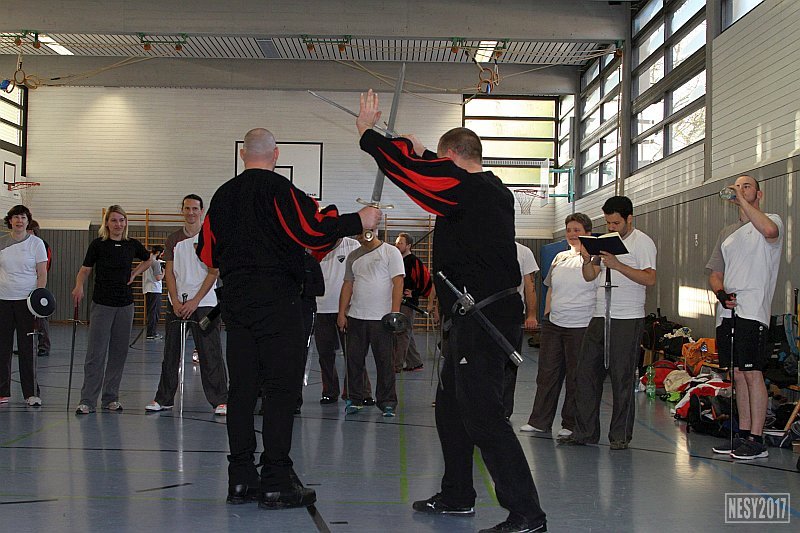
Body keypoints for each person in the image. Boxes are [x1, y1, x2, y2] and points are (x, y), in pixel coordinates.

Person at [357, 89, 546, 533]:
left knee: (483, 415)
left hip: (484, 319)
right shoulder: (485, 188)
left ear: (452, 159)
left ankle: (527, 514)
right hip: (471, 317)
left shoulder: (471, 190)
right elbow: (433, 170)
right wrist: (422, 151)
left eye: (441, 163)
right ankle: (458, 494)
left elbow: (413, 175)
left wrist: (369, 135)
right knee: (450, 409)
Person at [196, 128, 381, 509]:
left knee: (242, 390)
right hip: (277, 302)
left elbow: (207, 254)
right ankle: (276, 478)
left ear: (243, 154)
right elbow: (313, 232)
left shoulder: (222, 196)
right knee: (281, 389)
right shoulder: (282, 191)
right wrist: (357, 220)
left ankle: (240, 478)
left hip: (237, 304)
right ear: (276, 154)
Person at [559, 196, 656, 450]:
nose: (611, 227)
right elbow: (590, 276)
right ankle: (585, 431)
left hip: (627, 317)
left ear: (629, 219)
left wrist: (618, 265)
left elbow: (649, 278)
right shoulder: (604, 241)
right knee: (586, 373)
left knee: (622, 376)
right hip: (600, 314)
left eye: (616, 223)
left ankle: (620, 435)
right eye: (608, 222)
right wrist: (588, 260)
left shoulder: (642, 242)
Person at [707, 175, 782, 460]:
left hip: (752, 309)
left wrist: (740, 200)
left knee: (753, 373)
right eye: (737, 186)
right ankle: (742, 434)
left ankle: (757, 438)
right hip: (729, 311)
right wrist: (720, 292)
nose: (740, 189)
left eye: (746, 186)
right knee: (737, 374)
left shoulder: (770, 221)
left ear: (758, 195)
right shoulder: (727, 233)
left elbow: (770, 230)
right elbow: (716, 272)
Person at [146, 194, 228, 416]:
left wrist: (195, 301)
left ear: (201, 211)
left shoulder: (210, 237)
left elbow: (214, 272)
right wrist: (174, 300)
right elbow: (169, 272)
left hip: (206, 305)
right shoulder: (173, 239)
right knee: (171, 353)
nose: (191, 212)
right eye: (187, 208)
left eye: (195, 208)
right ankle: (163, 399)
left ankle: (220, 400)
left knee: (210, 352)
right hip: (178, 306)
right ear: (182, 210)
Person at [73, 205, 152, 414]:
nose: (118, 224)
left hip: (125, 305)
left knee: (118, 353)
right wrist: (79, 286)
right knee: (96, 353)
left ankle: (110, 398)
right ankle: (87, 400)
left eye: (121, 220)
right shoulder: (98, 245)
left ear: (126, 222)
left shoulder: (132, 244)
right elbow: (85, 270)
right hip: (102, 304)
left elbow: (149, 259)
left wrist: (135, 273)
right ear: (107, 223)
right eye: (114, 220)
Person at [521, 213, 594, 437]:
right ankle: (539, 421)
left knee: (575, 376)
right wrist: (547, 315)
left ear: (588, 233)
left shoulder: (595, 259)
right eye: (569, 230)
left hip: (581, 325)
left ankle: (570, 423)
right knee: (547, 374)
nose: (572, 234)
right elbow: (550, 288)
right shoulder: (559, 257)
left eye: (577, 230)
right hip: (554, 324)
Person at [337, 233, 404, 417]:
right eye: (358, 232)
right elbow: (348, 284)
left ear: (374, 230)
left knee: (385, 362)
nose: (362, 236)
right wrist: (342, 313)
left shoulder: (390, 252)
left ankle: (387, 402)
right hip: (356, 317)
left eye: (365, 231)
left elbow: (398, 282)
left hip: (381, 319)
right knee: (354, 361)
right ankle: (355, 400)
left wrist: (394, 313)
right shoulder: (353, 256)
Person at [312, 236, 371, 404]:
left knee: (353, 353)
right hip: (321, 309)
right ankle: (329, 391)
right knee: (325, 354)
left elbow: (361, 274)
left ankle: (360, 392)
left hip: (347, 309)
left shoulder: (352, 245)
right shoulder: (315, 246)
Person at [0, 205, 48, 406]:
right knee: (3, 347)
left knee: (27, 348)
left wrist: (37, 300)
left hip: (26, 302)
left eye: (23, 217)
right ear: (10, 220)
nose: (19, 221)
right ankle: (2, 391)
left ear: (28, 221)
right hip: (3, 301)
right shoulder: (2, 242)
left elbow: (42, 273)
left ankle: (31, 393)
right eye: (15, 217)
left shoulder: (36, 244)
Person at [503, 242, 538, 419]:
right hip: (486, 314)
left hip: (513, 315)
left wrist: (531, 315)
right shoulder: (484, 246)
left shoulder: (524, 252)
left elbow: (530, 285)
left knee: (510, 365)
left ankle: (504, 412)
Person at [393, 232, 432, 373]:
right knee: (405, 331)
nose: (397, 245)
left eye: (401, 243)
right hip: (397, 301)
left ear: (408, 245)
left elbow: (426, 280)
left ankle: (396, 365)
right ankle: (415, 362)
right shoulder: (397, 260)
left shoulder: (414, 261)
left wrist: (414, 293)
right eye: (397, 242)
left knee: (402, 333)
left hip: (407, 303)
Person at [295, 250, 325, 414]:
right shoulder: (282, 259)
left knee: (300, 355)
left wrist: (303, 288)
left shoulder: (311, 262)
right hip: (283, 313)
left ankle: (295, 399)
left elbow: (320, 288)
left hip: (306, 312)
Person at [27, 219, 52, 357]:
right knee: (26, 318)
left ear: (32, 231)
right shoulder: (24, 244)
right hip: (24, 286)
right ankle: (27, 345)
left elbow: (45, 267)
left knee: (40, 317)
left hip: (38, 285)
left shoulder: (42, 245)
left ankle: (44, 346)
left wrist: (39, 286)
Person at [142, 244, 164, 340]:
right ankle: (151, 333)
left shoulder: (146, 261)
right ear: (158, 253)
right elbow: (158, 277)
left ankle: (151, 332)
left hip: (148, 289)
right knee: (154, 312)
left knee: (151, 311)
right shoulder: (156, 263)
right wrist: (164, 272)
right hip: (154, 290)